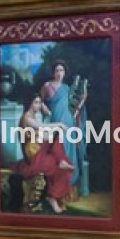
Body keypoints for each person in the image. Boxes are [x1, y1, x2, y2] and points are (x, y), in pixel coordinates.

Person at [36, 61, 88, 196]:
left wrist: (83, 98)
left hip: (68, 123)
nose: (59, 73)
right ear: (53, 72)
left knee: (68, 152)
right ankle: (55, 189)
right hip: (55, 122)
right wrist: (44, 108)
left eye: (62, 71)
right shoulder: (47, 85)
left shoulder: (67, 88)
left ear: (65, 73)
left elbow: (76, 103)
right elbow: (39, 100)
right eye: (57, 70)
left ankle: (67, 187)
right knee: (57, 153)